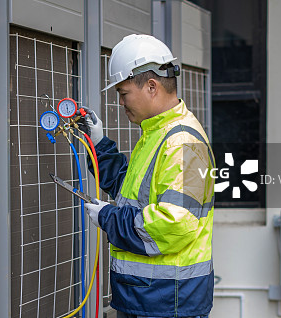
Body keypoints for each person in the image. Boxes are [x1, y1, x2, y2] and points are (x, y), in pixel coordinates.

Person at [81, 34, 215, 318]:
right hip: (150, 298)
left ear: (151, 86)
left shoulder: (181, 144)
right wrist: (99, 145)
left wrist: (110, 218)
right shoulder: (158, 134)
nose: (121, 102)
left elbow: (174, 224)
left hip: (166, 303)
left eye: (123, 92)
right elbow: (129, 189)